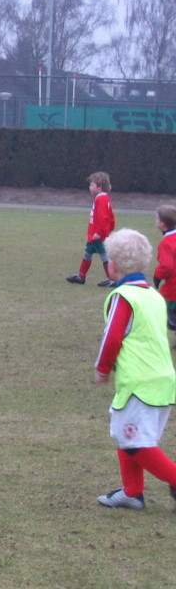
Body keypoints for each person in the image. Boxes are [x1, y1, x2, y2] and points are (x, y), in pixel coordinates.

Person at [94, 228, 176, 510]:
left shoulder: (123, 296)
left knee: (135, 443)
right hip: (162, 380)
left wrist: (102, 368)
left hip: (140, 383)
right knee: (126, 433)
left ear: (113, 265)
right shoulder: (153, 295)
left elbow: (112, 337)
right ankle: (132, 492)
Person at [66, 171, 116, 287]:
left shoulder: (101, 199)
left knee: (104, 256)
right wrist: (109, 229)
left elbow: (103, 218)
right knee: (88, 254)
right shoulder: (104, 198)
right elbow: (111, 217)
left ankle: (112, 279)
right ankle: (81, 276)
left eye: (92, 185)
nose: (90, 187)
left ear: (99, 186)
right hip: (95, 235)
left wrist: (100, 232)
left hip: (97, 235)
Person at [153, 204, 176, 346]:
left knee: (164, 313)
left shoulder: (166, 242)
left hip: (173, 288)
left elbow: (167, 266)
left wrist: (157, 276)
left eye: (156, 218)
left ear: (162, 224)